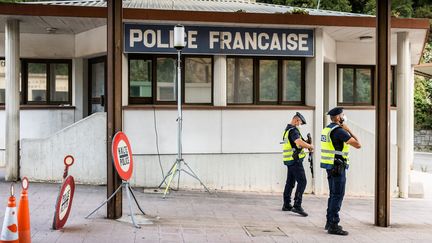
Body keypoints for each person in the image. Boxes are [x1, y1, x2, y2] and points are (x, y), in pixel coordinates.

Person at [321, 107, 361, 235]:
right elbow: (358, 144)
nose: (344, 116)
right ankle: (333, 224)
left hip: (330, 166)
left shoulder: (327, 129)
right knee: (338, 195)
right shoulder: (339, 131)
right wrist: (348, 130)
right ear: (338, 117)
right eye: (342, 114)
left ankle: (329, 222)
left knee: (333, 194)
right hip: (338, 167)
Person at [282, 112, 314, 217]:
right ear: (296, 120)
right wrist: (310, 146)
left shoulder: (287, 130)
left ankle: (286, 204)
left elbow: (297, 143)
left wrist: (306, 142)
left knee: (290, 182)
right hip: (295, 160)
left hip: (289, 160)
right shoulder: (293, 130)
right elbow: (298, 142)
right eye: (300, 122)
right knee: (302, 181)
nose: (300, 125)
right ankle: (297, 205)